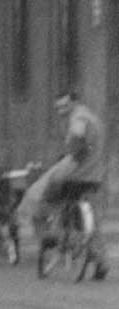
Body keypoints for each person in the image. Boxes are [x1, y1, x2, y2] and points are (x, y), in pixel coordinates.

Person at [28, 91, 108, 279]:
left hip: (75, 176)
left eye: (65, 106)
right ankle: (101, 261)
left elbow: (78, 136)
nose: (61, 110)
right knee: (93, 221)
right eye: (58, 107)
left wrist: (71, 154)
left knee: (43, 200)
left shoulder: (78, 117)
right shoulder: (93, 118)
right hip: (94, 176)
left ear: (75, 103)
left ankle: (52, 238)